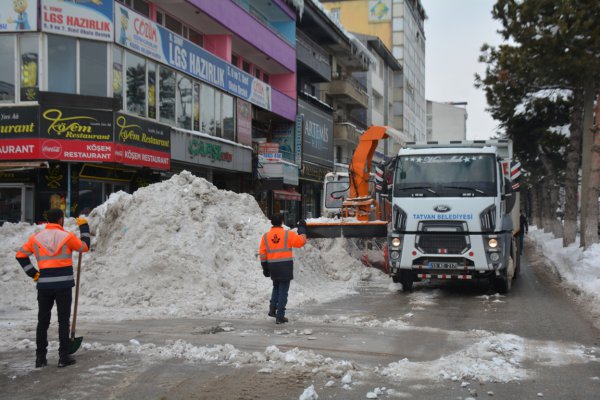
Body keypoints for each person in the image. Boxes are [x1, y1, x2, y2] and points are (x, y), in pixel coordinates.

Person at [15, 209, 90, 368]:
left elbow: (20, 255)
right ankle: (63, 357)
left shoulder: (36, 238)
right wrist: (84, 228)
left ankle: (40, 358)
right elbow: (84, 247)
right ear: (61, 219)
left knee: (43, 321)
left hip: (44, 286)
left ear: (48, 220)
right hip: (63, 286)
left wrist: (34, 273)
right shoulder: (67, 237)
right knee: (63, 321)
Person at [259, 213, 307, 324]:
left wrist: (265, 267)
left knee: (276, 287)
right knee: (283, 291)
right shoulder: (287, 234)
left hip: (273, 266)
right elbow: (301, 242)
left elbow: (262, 253)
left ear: (272, 222)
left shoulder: (266, 236)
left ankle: (272, 309)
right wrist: (302, 229)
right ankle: (280, 316)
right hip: (285, 266)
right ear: (282, 222)